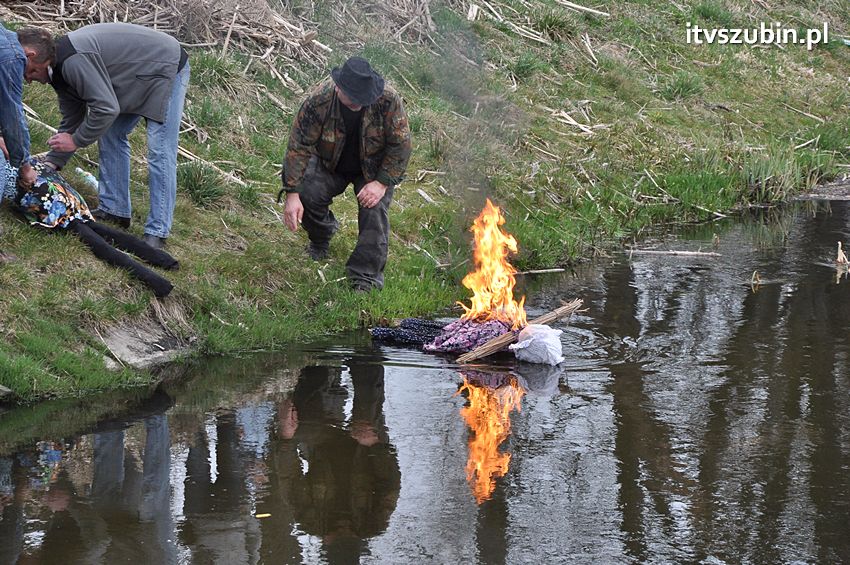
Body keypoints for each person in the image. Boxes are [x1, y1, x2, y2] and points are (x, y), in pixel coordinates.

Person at [17, 23, 190, 250]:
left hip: (165, 65)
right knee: (110, 132)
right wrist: (53, 162)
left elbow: (106, 108)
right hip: (133, 72)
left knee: (160, 149)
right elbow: (73, 117)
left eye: (27, 71)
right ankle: (115, 210)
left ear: (31, 55)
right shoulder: (58, 69)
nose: (28, 80)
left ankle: (157, 232)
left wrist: (77, 141)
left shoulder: (73, 62)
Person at [278, 56, 412, 292]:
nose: (359, 103)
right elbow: (298, 146)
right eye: (353, 98)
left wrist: (381, 183)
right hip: (330, 163)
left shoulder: (388, 99)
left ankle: (365, 277)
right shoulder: (318, 100)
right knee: (307, 192)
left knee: (374, 209)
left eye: (363, 99)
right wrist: (292, 192)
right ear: (339, 87)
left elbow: (401, 145)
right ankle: (321, 237)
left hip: (372, 169)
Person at [0, 22, 39, 264]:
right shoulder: (12, 56)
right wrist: (24, 166)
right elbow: (12, 115)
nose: (31, 80)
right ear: (29, 54)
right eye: (35, 70)